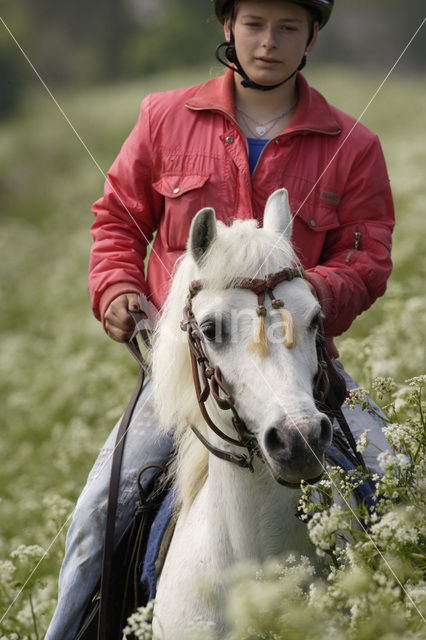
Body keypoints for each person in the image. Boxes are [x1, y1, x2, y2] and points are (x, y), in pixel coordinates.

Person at [46, 1, 394, 637]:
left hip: (300, 367)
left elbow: (367, 254)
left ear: (312, 34)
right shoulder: (163, 118)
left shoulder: (354, 144)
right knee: (100, 516)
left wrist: (305, 292)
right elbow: (118, 221)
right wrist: (118, 285)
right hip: (188, 373)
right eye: (256, 25)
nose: (270, 42)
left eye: (289, 27)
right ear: (228, 28)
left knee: (395, 481)